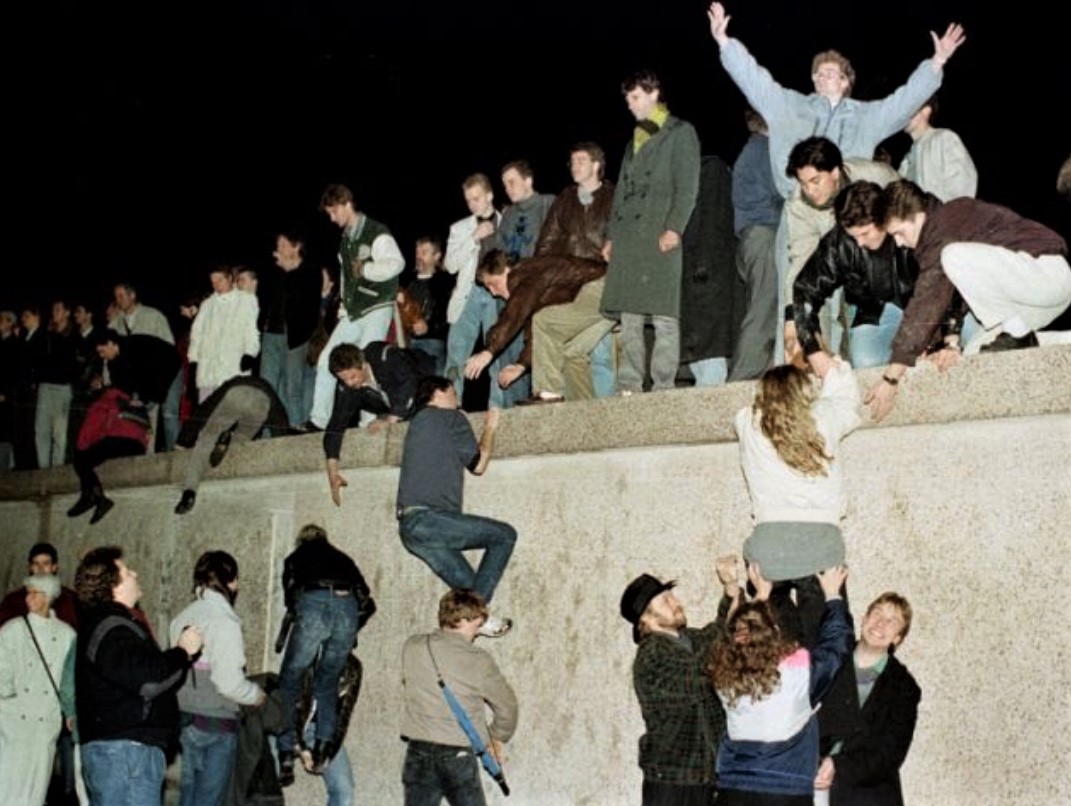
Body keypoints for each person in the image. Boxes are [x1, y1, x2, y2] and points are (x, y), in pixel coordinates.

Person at [706, 2, 965, 200]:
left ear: (845, 82)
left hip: (846, 204)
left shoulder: (866, 117)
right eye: (818, 73)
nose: (822, 76)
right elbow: (755, 80)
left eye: (830, 72)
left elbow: (904, 102)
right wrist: (725, 43)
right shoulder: (789, 106)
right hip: (799, 201)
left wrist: (936, 62)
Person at [867, 179, 1071, 421]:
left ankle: (1017, 333)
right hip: (1032, 301)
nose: (899, 243)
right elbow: (951, 294)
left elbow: (927, 300)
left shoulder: (947, 219)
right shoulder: (944, 232)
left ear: (919, 217)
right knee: (975, 352)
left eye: (899, 233)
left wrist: (892, 376)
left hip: (1047, 274)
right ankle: (1058, 341)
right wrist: (944, 345)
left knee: (952, 256)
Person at [734, 358, 861, 646]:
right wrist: (830, 365)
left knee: (773, 648)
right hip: (821, 545)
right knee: (825, 642)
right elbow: (847, 398)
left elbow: (753, 411)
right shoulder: (824, 416)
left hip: (769, 548)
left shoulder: (747, 422)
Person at [709, 565, 853, 805]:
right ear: (775, 632)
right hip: (784, 790)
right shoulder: (797, 676)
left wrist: (761, 597)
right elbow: (836, 647)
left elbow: (740, 637)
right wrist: (832, 595)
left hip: (733, 789)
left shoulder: (724, 680)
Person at [74, 545, 204, 805]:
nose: (135, 573)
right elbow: (150, 680)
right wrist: (182, 651)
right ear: (113, 586)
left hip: (122, 752)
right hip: (126, 754)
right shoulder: (112, 628)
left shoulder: (111, 625)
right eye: (127, 571)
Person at [600, 69, 700, 394]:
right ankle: (629, 383)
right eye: (628, 99)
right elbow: (621, 192)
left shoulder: (680, 133)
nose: (630, 104)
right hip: (629, 239)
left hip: (659, 235)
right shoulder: (634, 140)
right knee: (629, 316)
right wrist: (612, 236)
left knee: (664, 315)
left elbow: (687, 186)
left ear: (654, 94)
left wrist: (674, 228)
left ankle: (663, 386)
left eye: (635, 97)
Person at [396, 376, 515, 638]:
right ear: (438, 393)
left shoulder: (416, 421)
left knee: (470, 588)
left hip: (410, 529)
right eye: (453, 393)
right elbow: (478, 465)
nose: (457, 400)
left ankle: (477, 620)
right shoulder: (450, 417)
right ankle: (478, 618)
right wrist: (490, 427)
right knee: (504, 535)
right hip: (430, 519)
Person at [619, 559, 739, 806]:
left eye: (672, 596)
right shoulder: (652, 655)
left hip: (703, 779)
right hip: (673, 782)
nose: (676, 603)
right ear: (646, 618)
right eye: (665, 601)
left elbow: (719, 632)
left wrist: (731, 587)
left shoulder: (689, 639)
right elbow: (701, 677)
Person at [400, 588, 518, 806]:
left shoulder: (413, 646)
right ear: (463, 620)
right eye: (478, 620)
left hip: (417, 751)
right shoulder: (478, 659)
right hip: (457, 755)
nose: (481, 626)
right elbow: (507, 706)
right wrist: (496, 737)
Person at [276, 524, 376, 783]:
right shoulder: (343, 558)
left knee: (289, 681)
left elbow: (290, 599)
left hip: (314, 602)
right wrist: (351, 628)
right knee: (328, 682)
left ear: (301, 541)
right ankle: (322, 747)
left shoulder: (296, 557)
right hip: (347, 609)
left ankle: (285, 753)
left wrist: (306, 619)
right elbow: (367, 600)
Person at [790, 182, 924, 370]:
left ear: (883, 219)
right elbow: (804, 290)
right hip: (872, 311)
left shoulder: (908, 225)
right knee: (865, 362)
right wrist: (812, 349)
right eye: (853, 236)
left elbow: (940, 283)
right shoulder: (838, 242)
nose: (859, 243)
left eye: (865, 233)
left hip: (924, 305)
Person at [169, 551, 265, 806]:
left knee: (185, 799)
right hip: (215, 725)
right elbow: (228, 683)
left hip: (184, 721)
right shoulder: (225, 620)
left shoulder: (181, 617)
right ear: (230, 581)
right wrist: (256, 695)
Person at [310, 183, 406, 429]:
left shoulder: (376, 231)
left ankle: (368, 421)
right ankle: (318, 420)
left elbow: (396, 263)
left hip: (377, 307)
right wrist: (344, 307)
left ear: (347, 204)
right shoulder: (345, 241)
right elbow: (346, 279)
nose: (332, 218)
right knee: (327, 359)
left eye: (334, 211)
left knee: (365, 362)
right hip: (353, 312)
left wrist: (367, 269)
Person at [463, 249, 610, 403]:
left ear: (505, 270)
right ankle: (583, 409)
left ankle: (549, 392)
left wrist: (489, 351)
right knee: (570, 352)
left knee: (544, 321)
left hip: (604, 286)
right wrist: (521, 365)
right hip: (605, 301)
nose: (493, 293)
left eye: (492, 284)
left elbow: (514, 313)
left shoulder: (525, 273)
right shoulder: (538, 288)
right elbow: (540, 335)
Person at [816, 593, 921, 806]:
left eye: (892, 621)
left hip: (867, 794)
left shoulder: (904, 688)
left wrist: (837, 764)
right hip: (810, 784)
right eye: (877, 613)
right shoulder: (830, 660)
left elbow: (889, 754)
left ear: (897, 638)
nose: (880, 623)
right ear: (864, 619)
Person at [533, 140, 618, 398]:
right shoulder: (565, 200)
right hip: (571, 284)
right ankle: (584, 414)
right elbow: (546, 244)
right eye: (572, 162)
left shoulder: (615, 197)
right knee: (573, 353)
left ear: (597, 165)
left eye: (581, 160)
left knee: (601, 356)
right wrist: (542, 280)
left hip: (604, 281)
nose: (574, 166)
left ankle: (550, 391)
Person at [323, 341, 437, 506]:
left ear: (364, 365)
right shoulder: (347, 385)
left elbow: (410, 384)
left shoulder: (385, 356)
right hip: (399, 403)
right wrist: (332, 472)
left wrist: (390, 420)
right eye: (343, 379)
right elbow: (336, 424)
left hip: (428, 375)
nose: (349, 383)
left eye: (352, 376)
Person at [0, 573, 77, 806]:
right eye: (28, 593)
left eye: (35, 593)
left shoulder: (67, 635)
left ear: (49, 597)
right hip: (14, 720)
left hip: (46, 722)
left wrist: (69, 710)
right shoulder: (12, 630)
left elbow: (69, 679)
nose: (28, 599)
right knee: (9, 782)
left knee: (37, 785)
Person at [173, 375, 291, 514]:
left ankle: (189, 492)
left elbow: (205, 409)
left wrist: (183, 439)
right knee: (241, 441)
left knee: (208, 437)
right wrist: (283, 441)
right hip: (262, 401)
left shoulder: (231, 383)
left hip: (236, 394)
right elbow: (280, 417)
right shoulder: (267, 387)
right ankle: (231, 443)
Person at [728, 108, 784, 382]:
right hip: (764, 236)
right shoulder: (763, 151)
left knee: (764, 305)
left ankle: (762, 371)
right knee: (764, 307)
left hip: (755, 238)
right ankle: (742, 377)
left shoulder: (753, 151)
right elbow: (779, 194)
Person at [187, 265, 262, 403]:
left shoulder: (246, 300)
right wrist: (193, 360)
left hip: (233, 365)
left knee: (232, 407)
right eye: (213, 282)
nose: (216, 285)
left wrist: (250, 353)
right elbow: (197, 334)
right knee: (207, 409)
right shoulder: (207, 305)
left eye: (220, 280)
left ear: (230, 278)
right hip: (208, 369)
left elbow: (251, 330)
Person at [898, 94, 978, 203]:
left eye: (909, 108)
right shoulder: (907, 160)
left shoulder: (944, 139)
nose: (903, 114)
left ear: (926, 111)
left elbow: (963, 185)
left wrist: (946, 212)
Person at [0, 541, 79, 628]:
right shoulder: (13, 600)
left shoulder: (70, 599)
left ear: (54, 567)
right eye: (36, 564)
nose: (41, 569)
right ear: (30, 567)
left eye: (46, 564)